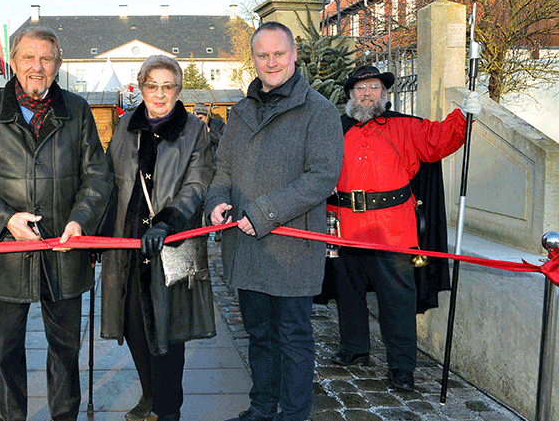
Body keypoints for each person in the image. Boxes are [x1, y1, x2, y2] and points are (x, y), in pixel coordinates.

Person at [0, 25, 113, 421]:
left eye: (46, 59)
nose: (37, 67)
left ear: (58, 64)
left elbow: (97, 176)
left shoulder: (77, 110)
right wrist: (4, 219)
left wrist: (80, 221)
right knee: (7, 350)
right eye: (28, 58)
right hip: (7, 252)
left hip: (65, 249)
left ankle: (64, 416)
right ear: (13, 60)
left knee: (66, 348)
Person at [204, 22, 343, 421]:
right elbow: (223, 171)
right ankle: (262, 409)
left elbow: (322, 177)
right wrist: (216, 202)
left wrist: (264, 212)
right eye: (262, 55)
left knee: (293, 339)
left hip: (292, 249)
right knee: (260, 337)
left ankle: (293, 415)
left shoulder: (319, 111)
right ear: (254, 59)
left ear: (294, 53)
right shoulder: (242, 111)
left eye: (278, 53)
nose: (271, 62)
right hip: (246, 249)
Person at [327, 65, 481, 391]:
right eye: (360, 89)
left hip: (392, 229)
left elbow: (439, 140)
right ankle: (355, 348)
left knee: (397, 300)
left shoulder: (406, 127)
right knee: (347, 292)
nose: (366, 94)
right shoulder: (335, 129)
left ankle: (401, 366)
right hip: (343, 226)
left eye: (373, 88)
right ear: (351, 95)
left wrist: (463, 116)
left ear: (384, 95)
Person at [101, 55, 216, 421]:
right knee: (134, 327)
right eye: (153, 85)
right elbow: (106, 179)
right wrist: (99, 230)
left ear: (178, 90)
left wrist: (168, 222)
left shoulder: (194, 130)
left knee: (170, 333)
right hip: (128, 245)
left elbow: (198, 183)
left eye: (169, 86)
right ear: (141, 87)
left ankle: (168, 410)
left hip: (172, 244)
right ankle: (149, 395)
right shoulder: (124, 127)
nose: (160, 93)